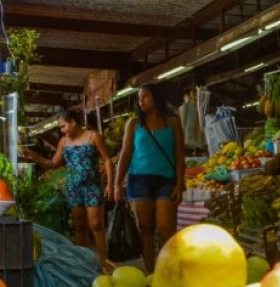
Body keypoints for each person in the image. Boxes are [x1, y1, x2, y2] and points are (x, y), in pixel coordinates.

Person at [24, 110, 113, 267]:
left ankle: (104, 262)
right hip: (73, 188)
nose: (61, 130)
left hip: (92, 186)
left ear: (73, 122)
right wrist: (35, 157)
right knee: (79, 227)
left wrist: (110, 184)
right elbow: (53, 163)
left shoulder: (94, 136)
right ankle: (84, 263)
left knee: (97, 224)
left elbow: (107, 160)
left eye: (63, 126)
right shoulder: (63, 142)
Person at [114, 83, 185, 273]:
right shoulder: (133, 124)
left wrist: (180, 183)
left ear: (156, 98)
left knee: (165, 229)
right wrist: (117, 184)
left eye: (145, 97)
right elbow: (125, 154)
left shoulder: (173, 123)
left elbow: (179, 156)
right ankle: (151, 274)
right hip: (139, 181)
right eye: (139, 98)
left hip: (166, 181)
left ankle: (168, 270)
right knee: (145, 229)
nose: (141, 101)